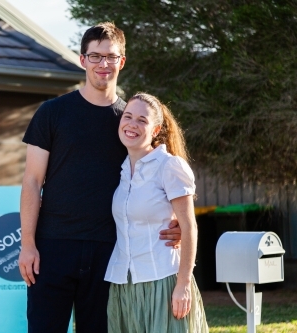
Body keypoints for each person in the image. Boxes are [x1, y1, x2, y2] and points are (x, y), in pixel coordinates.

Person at [18, 22, 182, 333]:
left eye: (110, 57)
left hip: (111, 250)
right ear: (82, 60)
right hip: (53, 246)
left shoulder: (130, 121)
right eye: (95, 56)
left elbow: (160, 172)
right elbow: (31, 182)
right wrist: (28, 244)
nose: (102, 64)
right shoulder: (52, 113)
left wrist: (177, 221)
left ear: (122, 61)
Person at [105, 92, 208, 332]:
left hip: (163, 280)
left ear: (156, 129)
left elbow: (189, 227)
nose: (132, 124)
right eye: (128, 116)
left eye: (142, 120)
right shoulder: (121, 170)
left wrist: (182, 285)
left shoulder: (169, 165)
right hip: (124, 284)